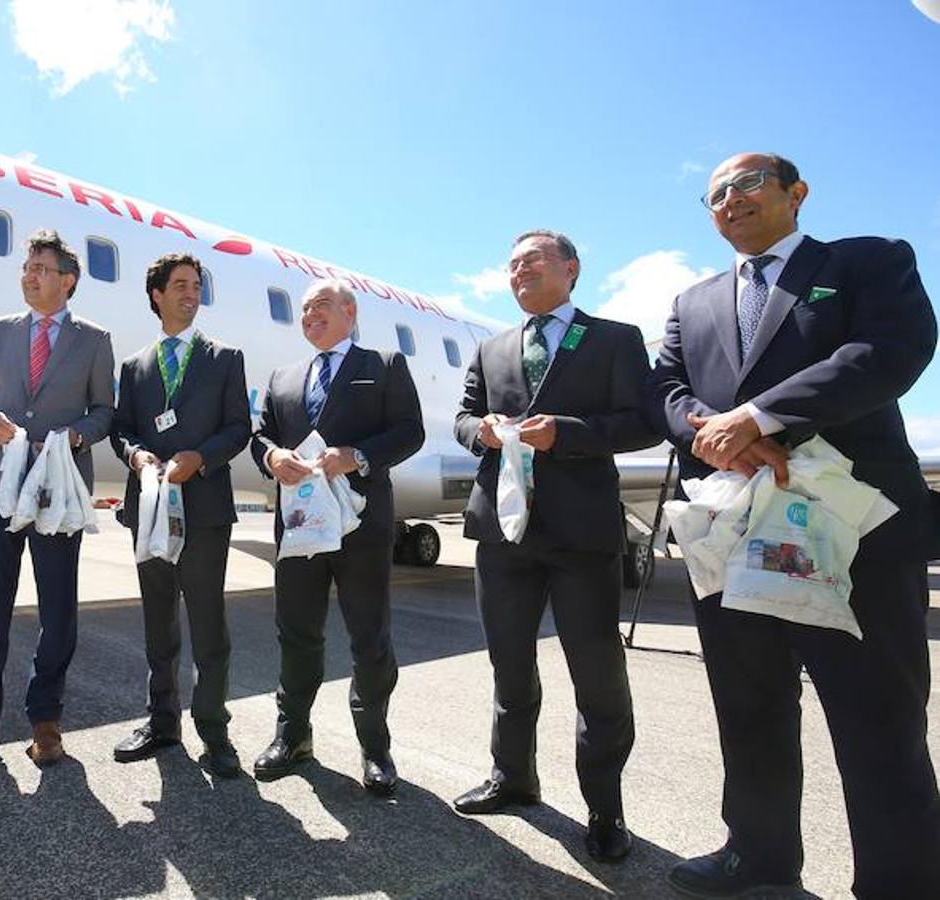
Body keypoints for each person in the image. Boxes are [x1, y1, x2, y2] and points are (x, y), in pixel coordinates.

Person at [650, 153, 938, 898]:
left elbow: (886, 352)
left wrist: (761, 416)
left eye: (744, 184)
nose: (727, 200)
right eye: (713, 194)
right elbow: (668, 389)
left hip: (853, 536)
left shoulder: (866, 261)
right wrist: (712, 429)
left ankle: (900, 879)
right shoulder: (692, 301)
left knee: (877, 720)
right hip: (733, 531)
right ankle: (758, 854)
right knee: (748, 709)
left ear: (794, 193)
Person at [451, 230, 657, 863]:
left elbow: (644, 423)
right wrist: (479, 431)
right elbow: (462, 417)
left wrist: (563, 433)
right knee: (509, 666)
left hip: (581, 536)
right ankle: (513, 776)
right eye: (511, 264)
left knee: (596, 674)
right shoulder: (492, 347)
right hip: (502, 534)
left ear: (571, 268)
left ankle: (604, 807)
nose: (518, 272)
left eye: (531, 261)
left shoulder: (615, 340)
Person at [0, 229, 115, 773]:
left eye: (40, 268)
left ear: (67, 280)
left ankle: (46, 720)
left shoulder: (94, 340)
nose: (28, 275)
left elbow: (104, 410)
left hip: (57, 489)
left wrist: (75, 437)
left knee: (58, 610)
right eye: (26, 267)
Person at [249, 278, 424, 796]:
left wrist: (357, 455)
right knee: (296, 634)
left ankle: (375, 748)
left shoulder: (385, 365)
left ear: (350, 311)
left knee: (369, 640)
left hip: (360, 526)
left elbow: (408, 431)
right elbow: (260, 435)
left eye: (321, 306)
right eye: (304, 311)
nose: (310, 316)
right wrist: (271, 457)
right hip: (300, 530)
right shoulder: (284, 377)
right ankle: (294, 737)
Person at [109, 252, 252, 778]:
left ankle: (215, 733)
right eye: (181, 286)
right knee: (157, 622)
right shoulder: (134, 365)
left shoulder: (225, 357)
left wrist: (202, 458)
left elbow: (240, 427)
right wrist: (135, 455)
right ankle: (162, 722)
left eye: (197, 286)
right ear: (157, 295)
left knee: (208, 624)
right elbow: (121, 428)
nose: (192, 294)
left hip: (205, 508)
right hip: (149, 508)